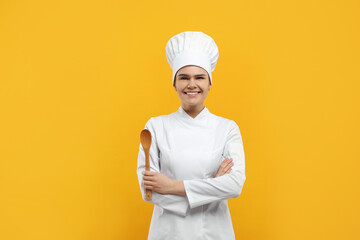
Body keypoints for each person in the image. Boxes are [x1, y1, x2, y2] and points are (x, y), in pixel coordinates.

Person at [136, 31, 246, 240]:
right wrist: (213, 186)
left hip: (214, 232)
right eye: (184, 77)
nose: (191, 84)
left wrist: (173, 186)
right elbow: (148, 191)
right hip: (168, 233)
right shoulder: (155, 127)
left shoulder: (227, 128)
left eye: (199, 77)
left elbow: (234, 184)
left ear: (210, 83)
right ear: (174, 84)